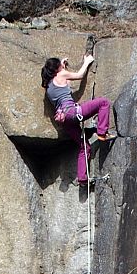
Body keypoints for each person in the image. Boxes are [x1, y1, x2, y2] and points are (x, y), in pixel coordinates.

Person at [40, 54, 113, 186]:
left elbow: (65, 85)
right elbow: (79, 75)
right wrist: (87, 62)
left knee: (84, 147)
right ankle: (102, 132)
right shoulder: (61, 75)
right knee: (104, 103)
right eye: (60, 66)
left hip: (65, 120)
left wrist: (62, 65)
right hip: (73, 112)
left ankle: (83, 179)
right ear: (57, 69)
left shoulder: (49, 87)